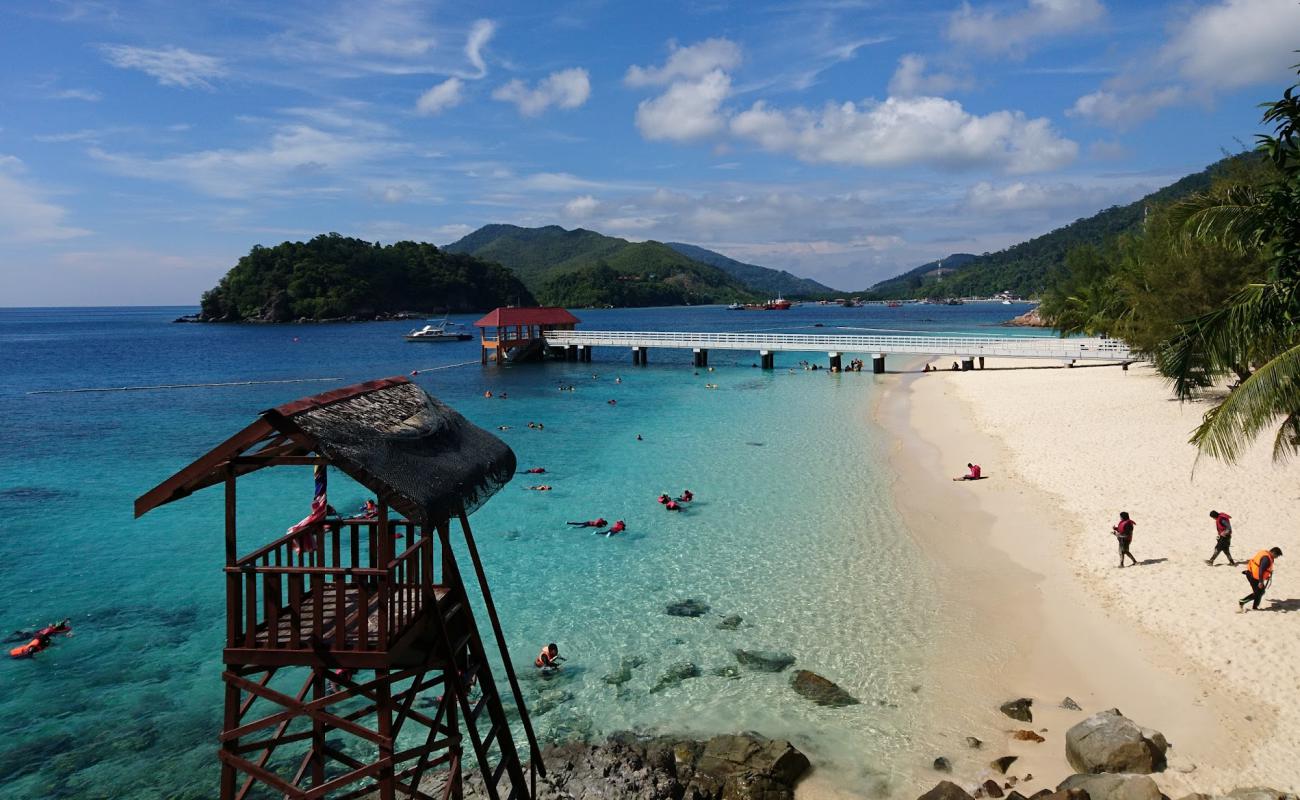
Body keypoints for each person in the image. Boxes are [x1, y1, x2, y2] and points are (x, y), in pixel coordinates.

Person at [1239, 547, 1283, 612]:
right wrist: (1260, 582)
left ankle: (1255, 607)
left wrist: (1266, 576)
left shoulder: (1266, 554)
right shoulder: (1266, 559)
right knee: (1259, 592)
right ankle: (1242, 601)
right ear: (1273, 553)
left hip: (1253, 574)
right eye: (1277, 556)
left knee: (1260, 592)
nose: (1276, 557)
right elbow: (1261, 570)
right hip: (1253, 577)